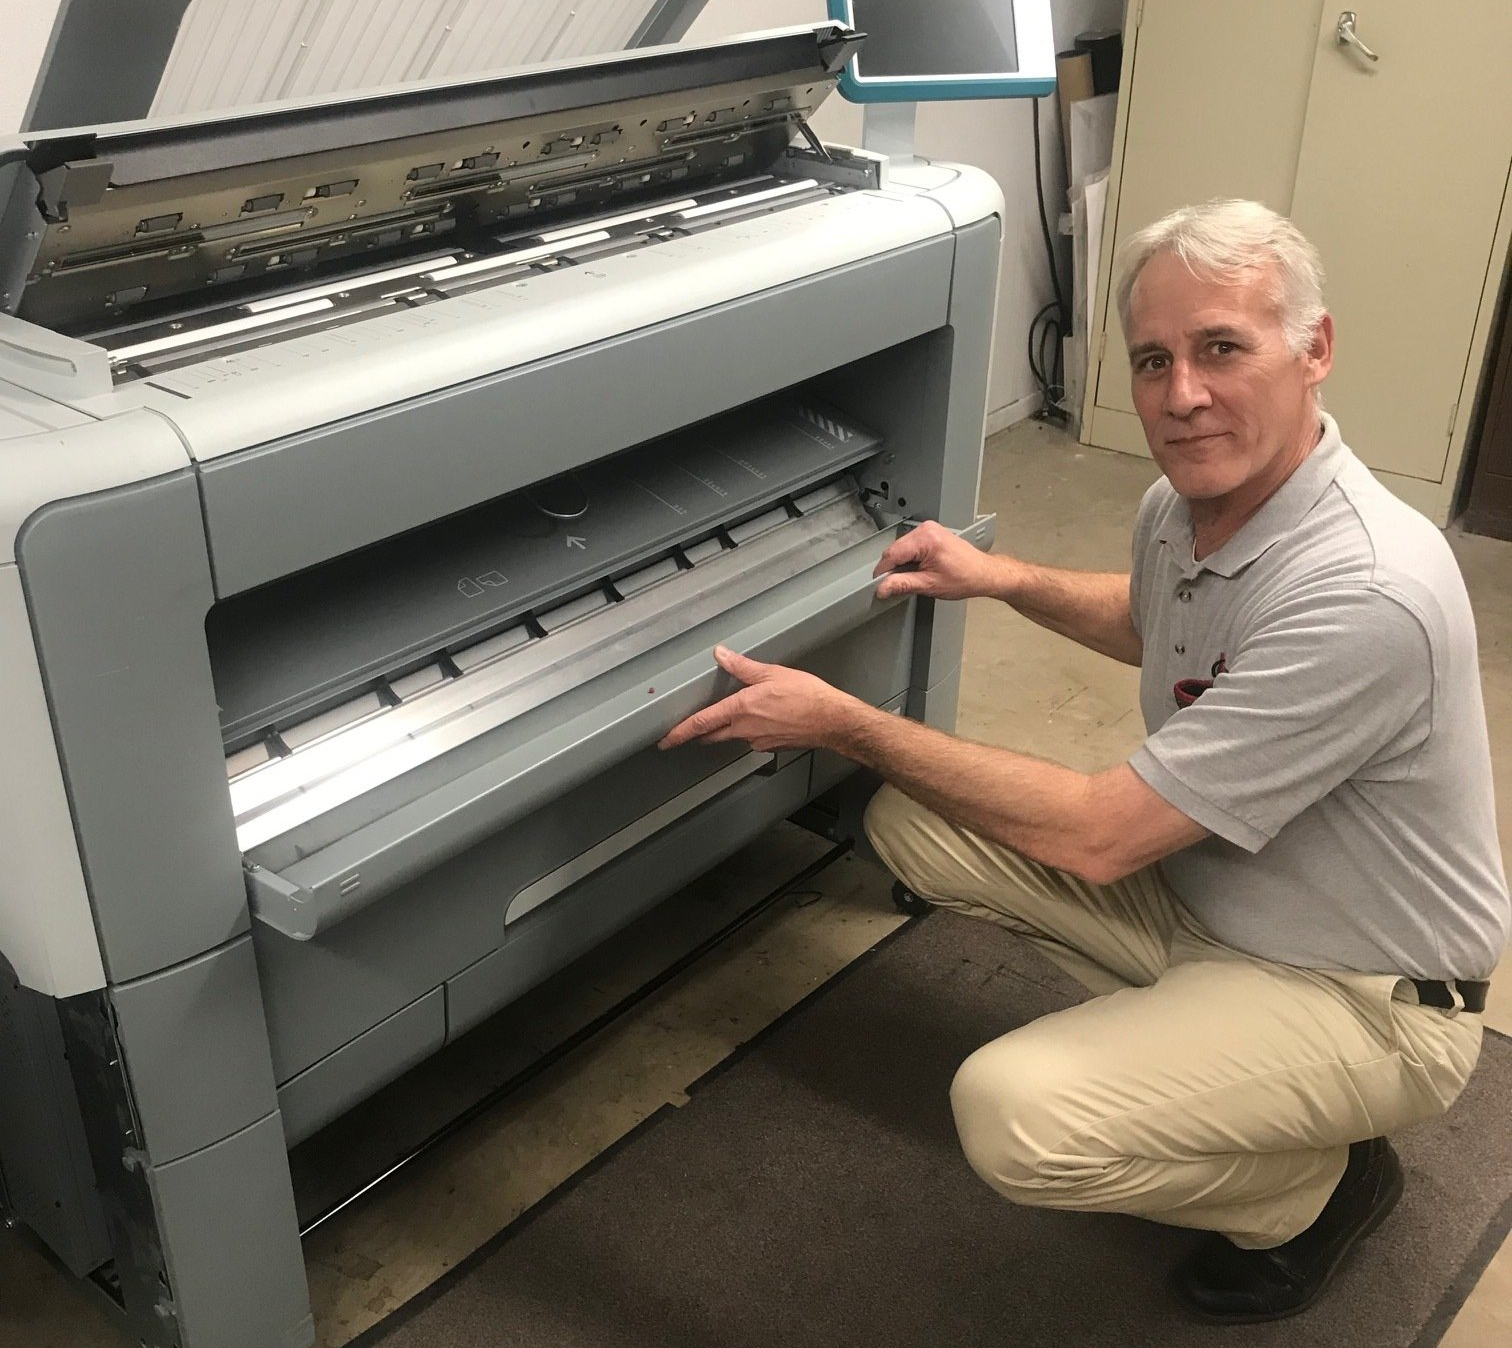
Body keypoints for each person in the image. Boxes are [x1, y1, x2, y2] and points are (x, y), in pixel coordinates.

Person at [658, 199, 1510, 1323]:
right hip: (1217, 895)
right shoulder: (1185, 504)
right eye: (1154, 360)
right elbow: (1159, 621)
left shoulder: (1366, 590)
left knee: (1014, 1115)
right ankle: (1221, 1064)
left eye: (1222, 348)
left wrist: (845, 723)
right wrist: (1001, 577)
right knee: (914, 822)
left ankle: (1314, 1188)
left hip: (1365, 993)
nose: (1182, 395)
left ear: (1315, 350)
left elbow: (1099, 837)